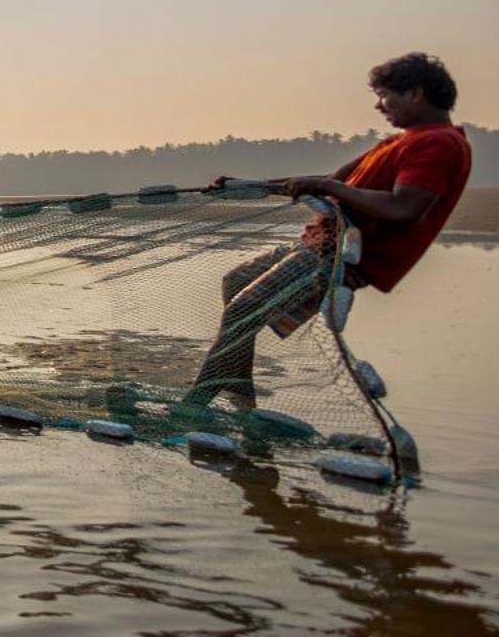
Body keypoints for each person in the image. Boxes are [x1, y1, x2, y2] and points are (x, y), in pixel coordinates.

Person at [187, 53, 472, 407]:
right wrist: (244, 185)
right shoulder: (399, 142)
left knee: (244, 309)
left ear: (416, 93)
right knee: (235, 282)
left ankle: (197, 403)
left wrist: (334, 191)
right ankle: (238, 388)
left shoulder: (438, 143)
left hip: (341, 259)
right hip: (317, 245)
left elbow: (405, 209)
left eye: (385, 96)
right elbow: (327, 182)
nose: (380, 106)